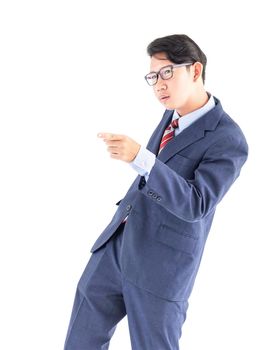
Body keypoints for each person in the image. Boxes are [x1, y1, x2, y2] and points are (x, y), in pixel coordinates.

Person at [64, 34, 248, 350]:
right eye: (153, 77)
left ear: (194, 70)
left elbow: (196, 203)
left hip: (162, 265)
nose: (159, 85)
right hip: (117, 245)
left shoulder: (229, 139)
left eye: (167, 73)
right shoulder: (171, 115)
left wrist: (140, 157)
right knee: (81, 339)